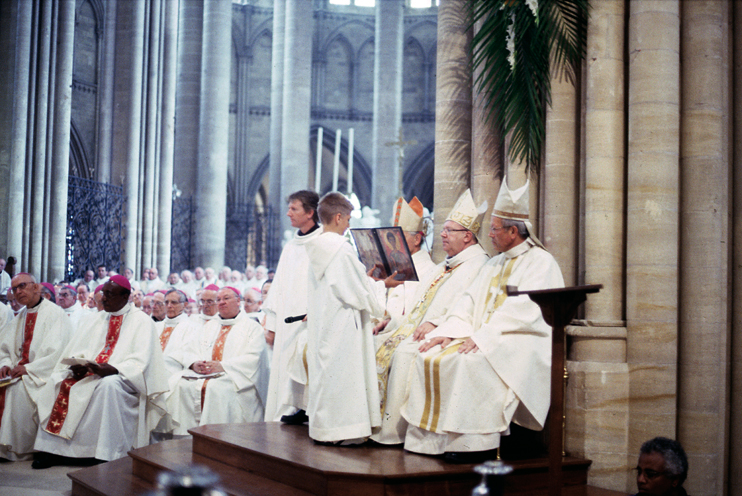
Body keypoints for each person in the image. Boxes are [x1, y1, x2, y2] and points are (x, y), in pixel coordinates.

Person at [400, 179, 564, 462]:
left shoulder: (541, 262)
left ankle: (474, 446)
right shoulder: (494, 263)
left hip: (521, 341)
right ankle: (437, 442)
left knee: (468, 363)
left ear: (513, 231)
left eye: (494, 228)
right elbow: (469, 302)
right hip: (486, 336)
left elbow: (524, 311)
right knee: (432, 354)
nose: (488, 235)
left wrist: (482, 337)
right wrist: (449, 332)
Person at [371, 189, 490, 445]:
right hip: (415, 330)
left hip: (447, 334)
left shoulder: (479, 264)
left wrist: (437, 324)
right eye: (443, 229)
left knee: (403, 355)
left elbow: (469, 307)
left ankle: (393, 434)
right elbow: (414, 308)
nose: (443, 235)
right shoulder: (443, 266)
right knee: (374, 344)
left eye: (449, 230)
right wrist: (390, 323)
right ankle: (373, 425)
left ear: (468, 236)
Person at [32, 275, 168, 468]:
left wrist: (115, 369)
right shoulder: (95, 319)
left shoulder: (142, 321)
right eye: (104, 293)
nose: (103, 298)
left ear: (126, 296)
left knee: (108, 386)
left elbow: (142, 360)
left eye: (109, 294)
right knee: (58, 379)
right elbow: (77, 349)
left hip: (124, 380)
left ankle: (104, 453)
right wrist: (77, 365)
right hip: (91, 373)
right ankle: (53, 450)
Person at [304, 192, 384, 444]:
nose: (349, 224)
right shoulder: (340, 249)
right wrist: (381, 290)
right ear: (338, 217)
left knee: (327, 375)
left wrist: (364, 279)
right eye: (348, 218)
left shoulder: (317, 247)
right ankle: (344, 433)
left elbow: (343, 283)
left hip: (324, 321)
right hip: (342, 323)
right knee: (343, 375)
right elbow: (356, 294)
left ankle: (325, 430)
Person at [165, 287, 269, 435]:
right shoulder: (210, 325)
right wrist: (194, 363)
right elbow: (190, 349)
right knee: (180, 384)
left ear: (238, 301)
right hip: (206, 375)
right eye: (219, 299)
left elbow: (254, 358)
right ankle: (185, 437)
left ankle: (217, 438)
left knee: (215, 389)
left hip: (235, 377)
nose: (221, 302)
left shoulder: (251, 327)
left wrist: (223, 366)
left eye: (226, 298)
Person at [261, 190, 322, 423]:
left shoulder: (322, 244)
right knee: (285, 368)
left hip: (310, 321)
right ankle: (286, 412)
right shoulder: (290, 247)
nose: (288, 213)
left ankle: (304, 411)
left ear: (310, 213)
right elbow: (277, 289)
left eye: (294, 209)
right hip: (287, 323)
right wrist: (273, 324)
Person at [0, 274, 72, 460]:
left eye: (22, 286)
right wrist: (6, 364)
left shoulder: (56, 314)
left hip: (43, 374)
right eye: (14, 289)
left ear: (36, 287)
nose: (18, 292)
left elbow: (57, 353)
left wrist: (29, 369)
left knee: (16, 390)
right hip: (20, 372)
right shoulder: (20, 316)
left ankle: (15, 449)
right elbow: (5, 349)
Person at [372, 197, 437, 342]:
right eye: (394, 237)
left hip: (402, 333)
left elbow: (415, 315)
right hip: (383, 329)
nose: (395, 242)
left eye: (401, 236)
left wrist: (389, 323)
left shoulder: (428, 270)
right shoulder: (391, 266)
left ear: (417, 240)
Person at [157, 289, 201, 378]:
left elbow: (187, 353)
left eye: (173, 302)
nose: (169, 306)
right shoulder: (156, 326)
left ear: (184, 305)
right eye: (166, 302)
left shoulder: (192, 327)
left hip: (174, 370)